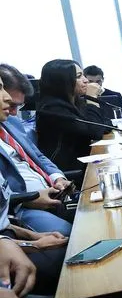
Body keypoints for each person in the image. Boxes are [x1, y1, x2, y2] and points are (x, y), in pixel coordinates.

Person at [0, 71, 74, 237]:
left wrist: (57, 178)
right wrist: (28, 199)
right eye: (12, 105)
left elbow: (37, 156)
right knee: (69, 235)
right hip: (19, 208)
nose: (14, 112)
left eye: (18, 106)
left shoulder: (12, 122)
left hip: (53, 195)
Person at [34, 60, 108, 173]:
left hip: (83, 162)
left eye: (83, 75)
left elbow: (104, 124)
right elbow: (95, 131)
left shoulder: (75, 102)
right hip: (68, 171)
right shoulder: (52, 109)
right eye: (79, 76)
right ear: (62, 82)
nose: (86, 80)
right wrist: (92, 98)